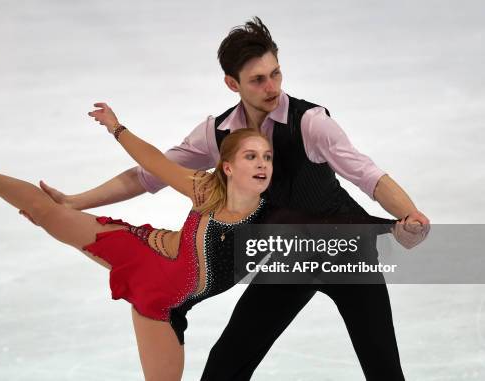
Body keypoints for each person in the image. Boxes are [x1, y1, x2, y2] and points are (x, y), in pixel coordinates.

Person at [31, 17, 429, 380]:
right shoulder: (218, 133)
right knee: (225, 368)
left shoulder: (310, 122)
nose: (272, 87)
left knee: (383, 370)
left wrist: (408, 215)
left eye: (275, 74)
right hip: (286, 257)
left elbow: (367, 174)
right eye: (257, 80)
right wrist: (75, 202)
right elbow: (148, 175)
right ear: (232, 83)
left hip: (345, 253)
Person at [0, 103, 276, 380]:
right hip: (144, 252)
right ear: (228, 166)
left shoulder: (271, 217)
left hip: (161, 305)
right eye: (251, 156)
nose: (262, 164)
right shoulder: (205, 189)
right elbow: (151, 160)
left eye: (267, 157)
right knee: (49, 214)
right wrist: (117, 128)